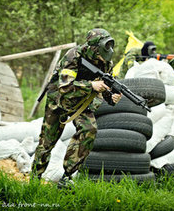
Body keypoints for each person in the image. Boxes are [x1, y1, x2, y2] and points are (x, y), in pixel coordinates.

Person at [31, 28, 122, 186]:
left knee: (89, 129)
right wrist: (92, 85)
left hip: (81, 101)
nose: (102, 58)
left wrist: (112, 96)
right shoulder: (73, 55)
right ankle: (34, 179)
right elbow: (65, 87)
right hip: (58, 100)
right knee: (47, 142)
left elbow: (106, 86)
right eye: (100, 53)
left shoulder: (107, 61)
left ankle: (67, 177)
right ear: (92, 49)